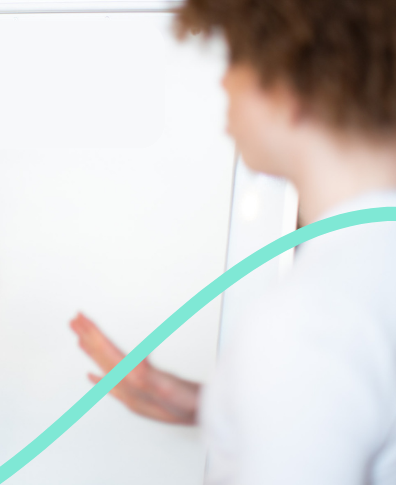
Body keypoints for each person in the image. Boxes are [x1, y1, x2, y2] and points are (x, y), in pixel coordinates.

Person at [70, 0, 396, 483]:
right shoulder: (363, 280)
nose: (224, 82)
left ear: (294, 83)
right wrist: (233, 411)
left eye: (237, 57)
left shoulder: (310, 321)